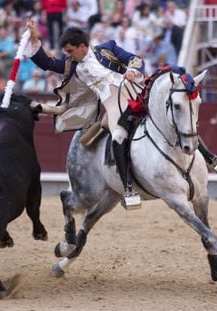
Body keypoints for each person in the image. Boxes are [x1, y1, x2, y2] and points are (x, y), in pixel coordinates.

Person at [27, 20, 145, 208]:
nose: (68, 55)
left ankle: (207, 157)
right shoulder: (73, 65)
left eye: (70, 51)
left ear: (82, 46)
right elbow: (47, 62)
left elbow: (135, 59)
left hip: (135, 90)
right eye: (66, 52)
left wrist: (131, 70)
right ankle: (128, 188)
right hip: (112, 103)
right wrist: (33, 36)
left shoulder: (108, 48)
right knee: (117, 137)